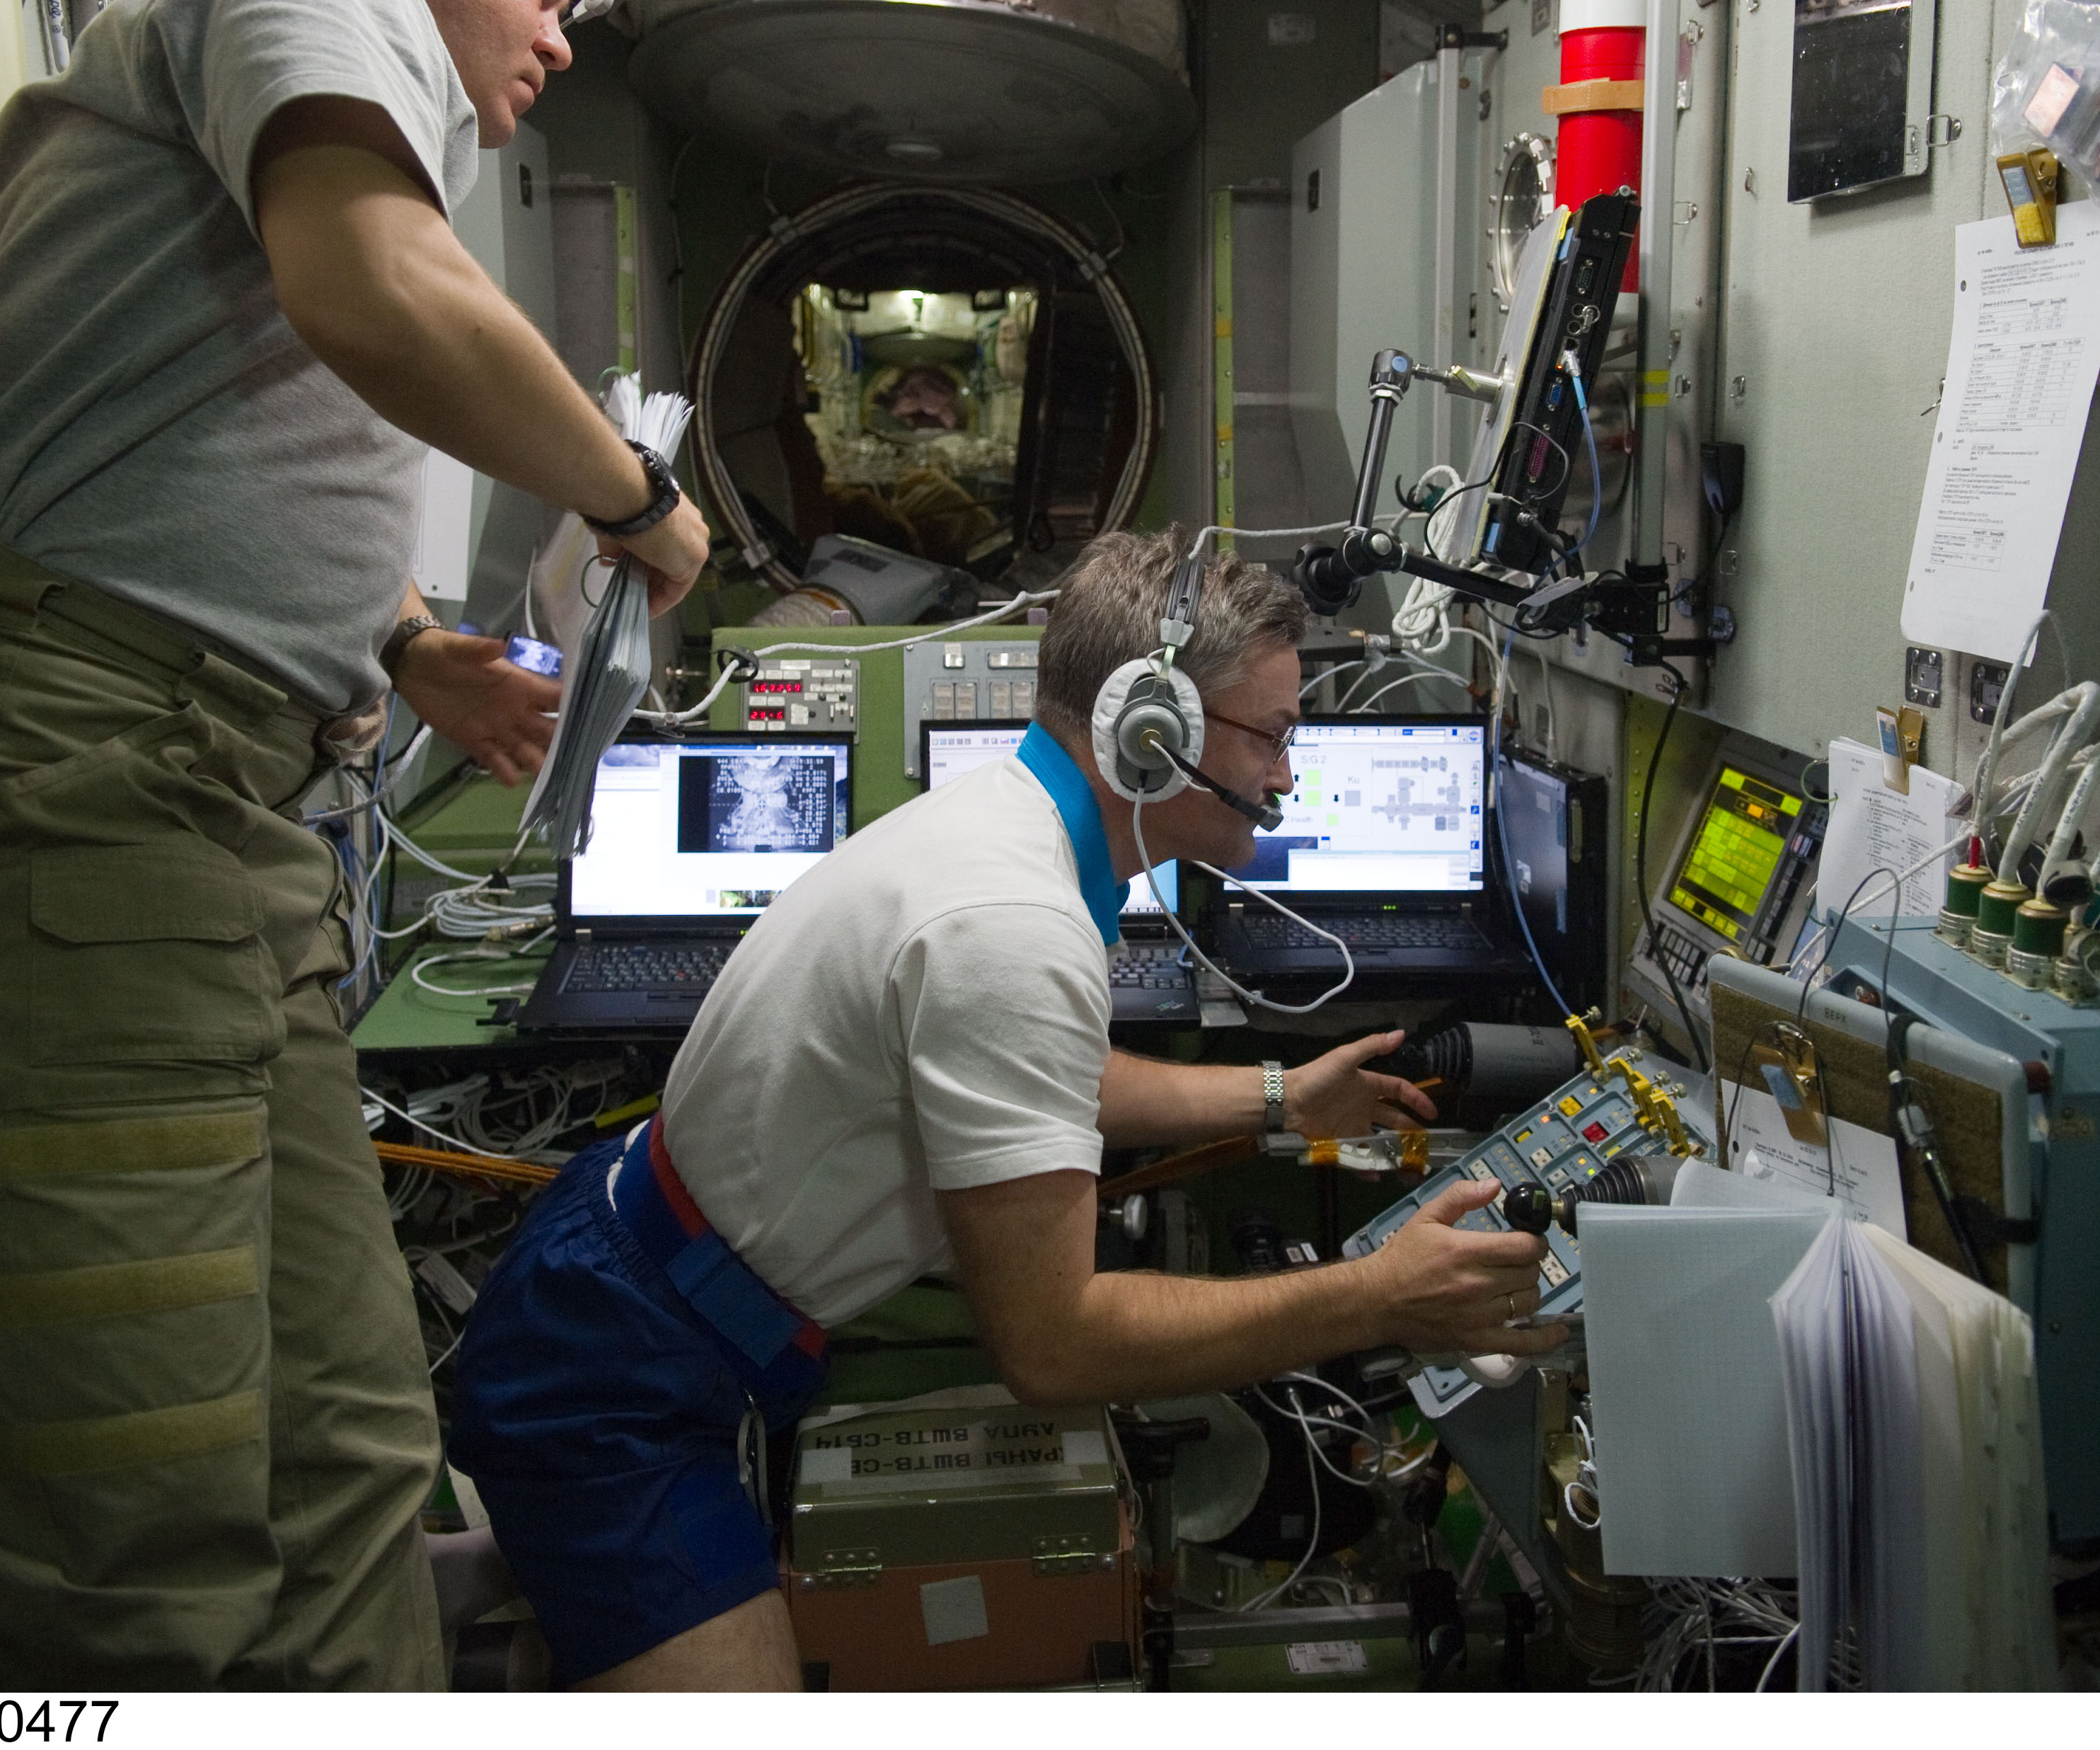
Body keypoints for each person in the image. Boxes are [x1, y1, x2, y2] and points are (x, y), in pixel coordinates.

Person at [0, 0, 705, 1688]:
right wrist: (634, 501)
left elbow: (185, 443)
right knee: (132, 1590)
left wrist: (401, 643)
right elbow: (371, 289)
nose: (564, 31)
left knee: (348, 1476)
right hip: (46, 809)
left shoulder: (299, 89)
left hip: (199, 828)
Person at [449, 526, 1552, 1689]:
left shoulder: (1008, 828)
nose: (1287, 773)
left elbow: (1033, 1086)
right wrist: (1380, 1297)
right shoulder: (1011, 926)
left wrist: (1282, 1094)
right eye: (1274, 734)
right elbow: (1055, 1342)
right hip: (614, 1367)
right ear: (1152, 723)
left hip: (648, 1287)